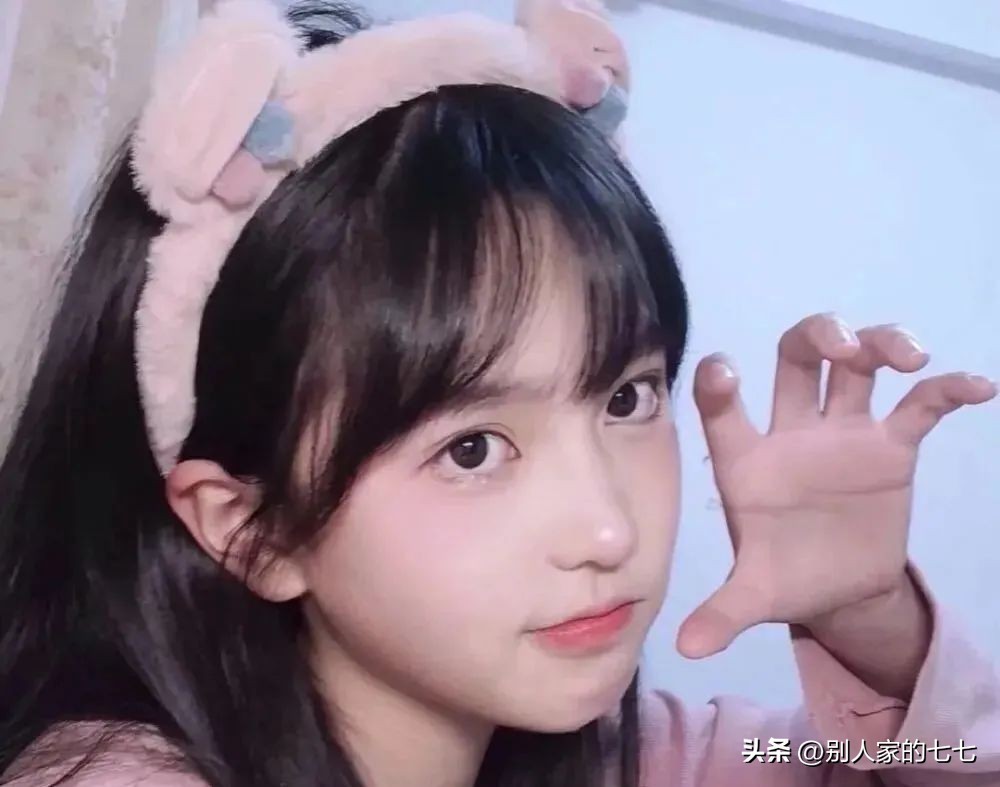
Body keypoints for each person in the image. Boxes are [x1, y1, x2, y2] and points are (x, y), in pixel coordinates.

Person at [1, 1, 997, 785]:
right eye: (472, 448)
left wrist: (876, 624)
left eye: (626, 399)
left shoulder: (638, 755)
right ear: (251, 529)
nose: (608, 529)